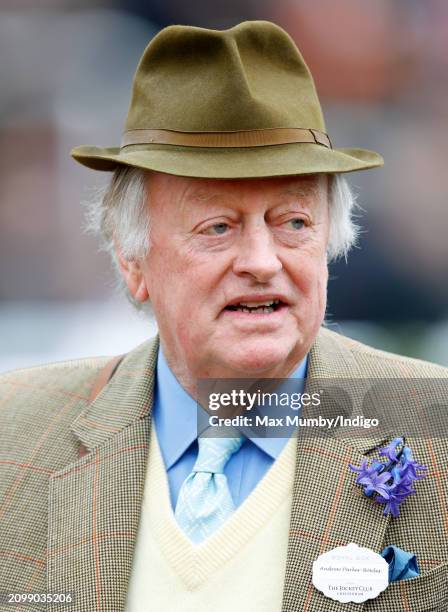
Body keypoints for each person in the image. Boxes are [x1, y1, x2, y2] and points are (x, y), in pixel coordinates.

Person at [0, 21, 447, 612]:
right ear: (134, 261)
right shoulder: (14, 436)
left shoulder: (432, 428)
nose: (263, 262)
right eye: (218, 227)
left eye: (293, 222)